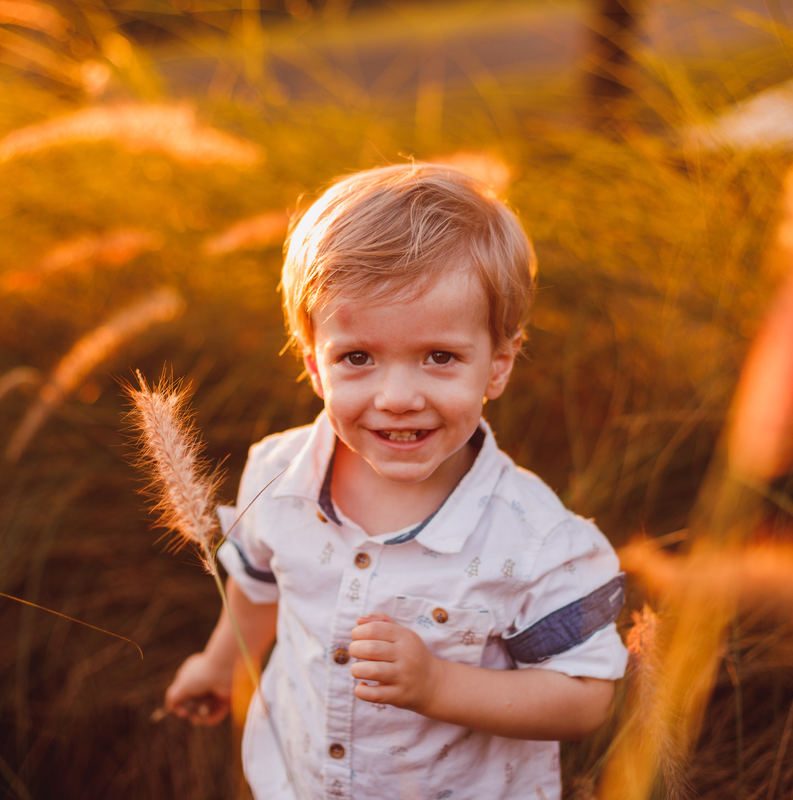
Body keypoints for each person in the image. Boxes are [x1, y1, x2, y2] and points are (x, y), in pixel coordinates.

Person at [164, 163, 628, 800]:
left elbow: (584, 698)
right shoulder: (278, 477)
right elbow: (258, 588)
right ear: (315, 366)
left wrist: (439, 686)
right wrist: (219, 665)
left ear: (497, 365)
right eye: (358, 358)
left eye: (440, 357)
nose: (398, 397)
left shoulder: (534, 538)